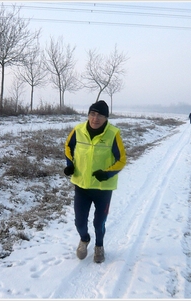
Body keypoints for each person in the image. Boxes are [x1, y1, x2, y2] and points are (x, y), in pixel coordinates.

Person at [64, 100, 127, 263]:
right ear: (88, 115)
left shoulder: (113, 134)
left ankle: (99, 246)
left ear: (106, 118)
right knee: (79, 223)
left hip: (103, 189)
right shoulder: (78, 130)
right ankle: (84, 239)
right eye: (92, 114)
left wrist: (106, 174)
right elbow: (68, 147)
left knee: (99, 223)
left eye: (100, 115)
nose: (95, 118)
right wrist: (70, 165)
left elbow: (121, 160)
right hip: (82, 185)